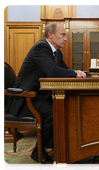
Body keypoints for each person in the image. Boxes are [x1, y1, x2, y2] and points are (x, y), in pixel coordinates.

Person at [6, 22, 86, 166]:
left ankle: (66, 147)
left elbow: (64, 71)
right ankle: (38, 151)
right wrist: (75, 73)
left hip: (39, 96)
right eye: (62, 35)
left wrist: (77, 72)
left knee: (67, 107)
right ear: (50, 34)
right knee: (55, 113)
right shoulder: (41, 48)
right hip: (25, 98)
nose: (66, 39)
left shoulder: (57, 52)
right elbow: (53, 72)